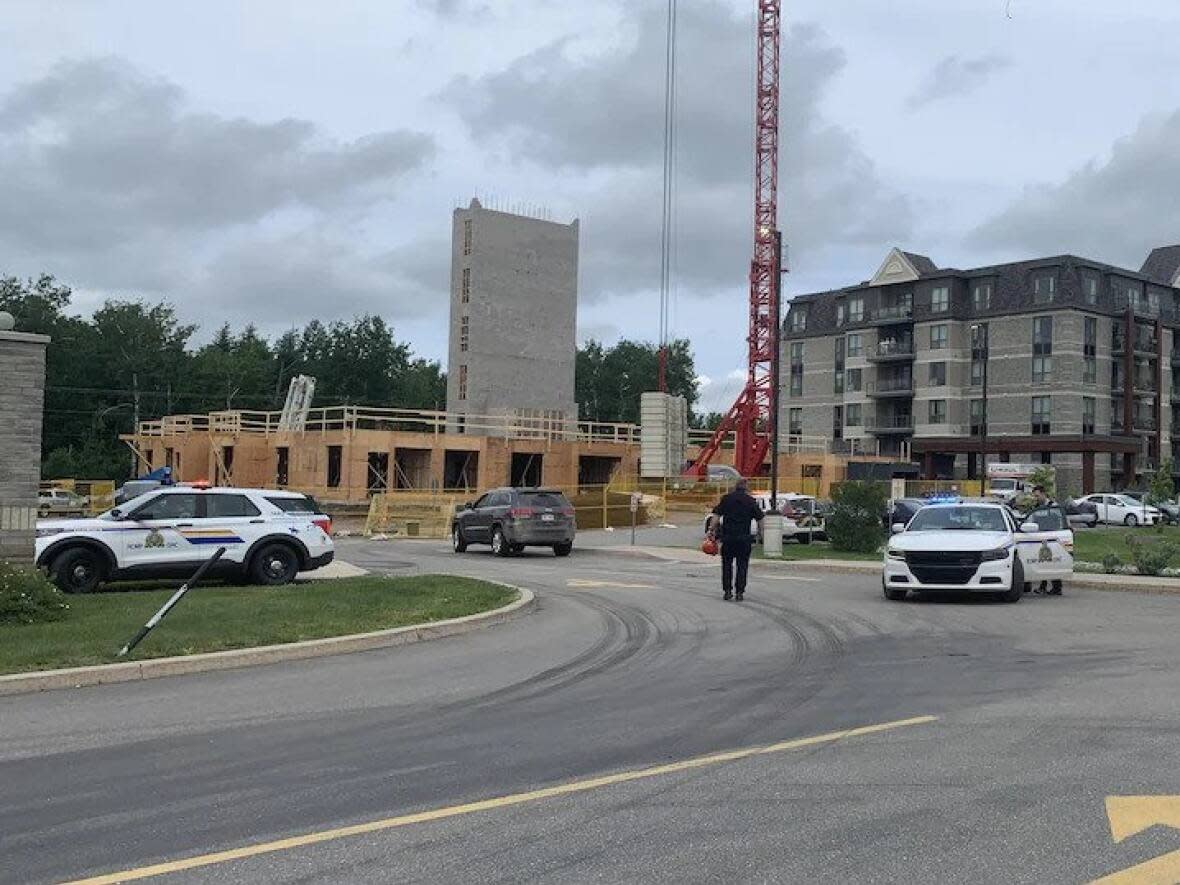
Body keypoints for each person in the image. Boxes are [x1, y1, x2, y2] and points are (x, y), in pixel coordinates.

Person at [708, 478, 765, 601]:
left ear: (735, 487)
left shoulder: (726, 499)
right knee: (742, 565)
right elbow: (760, 519)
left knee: (727, 565)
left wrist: (711, 530)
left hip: (728, 538)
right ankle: (739, 592)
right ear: (746, 488)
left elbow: (716, 516)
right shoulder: (750, 501)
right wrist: (761, 535)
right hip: (744, 539)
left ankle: (727, 591)